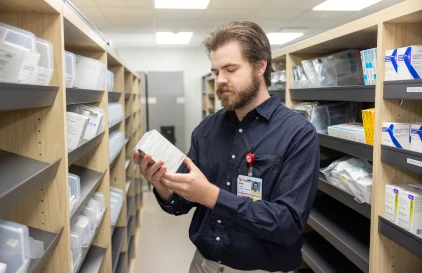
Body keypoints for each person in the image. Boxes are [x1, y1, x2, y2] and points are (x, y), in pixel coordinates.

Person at [133, 21, 319, 273]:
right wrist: (163, 186)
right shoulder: (207, 129)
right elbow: (181, 204)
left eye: (230, 69)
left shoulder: (297, 133)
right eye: (215, 71)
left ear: (260, 66)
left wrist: (210, 195)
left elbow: (287, 224)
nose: (220, 80)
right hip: (203, 265)